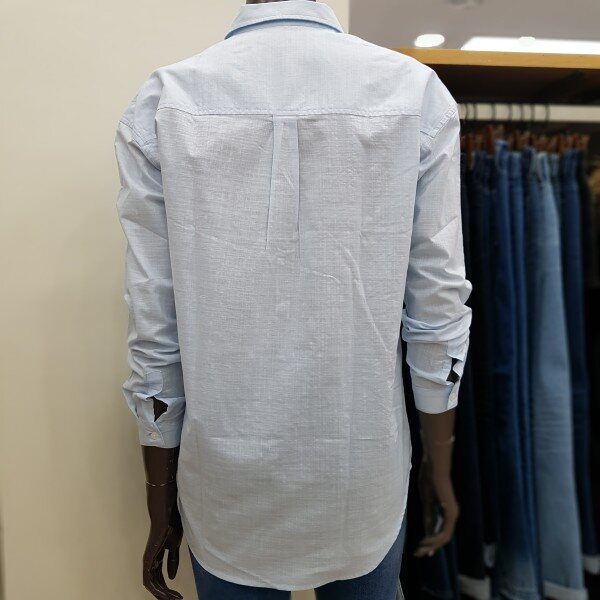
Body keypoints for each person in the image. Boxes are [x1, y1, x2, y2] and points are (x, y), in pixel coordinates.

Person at [114, 1, 472, 598]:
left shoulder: (164, 102)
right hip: (363, 475)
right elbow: (437, 306)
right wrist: (441, 465)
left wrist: (159, 493)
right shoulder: (414, 93)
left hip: (225, 482)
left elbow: (155, 322)